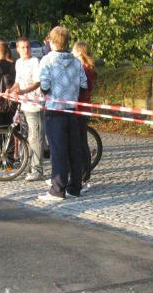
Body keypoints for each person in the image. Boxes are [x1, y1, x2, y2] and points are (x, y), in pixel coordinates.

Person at [38, 25, 87, 202]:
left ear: (52, 41)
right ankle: (75, 187)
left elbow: (44, 86)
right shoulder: (76, 61)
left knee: (58, 151)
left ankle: (57, 190)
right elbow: (84, 85)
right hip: (72, 111)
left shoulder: (47, 60)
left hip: (54, 110)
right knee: (74, 150)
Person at [10, 37, 46, 181]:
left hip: (34, 104)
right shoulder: (18, 62)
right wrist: (10, 90)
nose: (26, 50)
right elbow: (17, 82)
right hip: (24, 105)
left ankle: (37, 170)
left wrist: (24, 92)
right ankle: (29, 166)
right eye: (23, 47)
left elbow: (37, 82)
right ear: (17, 49)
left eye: (28, 47)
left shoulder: (35, 61)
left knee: (36, 138)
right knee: (27, 137)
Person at [72, 41, 97, 188]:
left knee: (80, 144)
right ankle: (83, 174)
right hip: (82, 108)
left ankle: (83, 175)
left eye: (74, 51)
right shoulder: (87, 68)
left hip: (80, 108)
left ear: (80, 53)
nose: (72, 53)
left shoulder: (83, 69)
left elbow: (81, 89)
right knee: (81, 142)